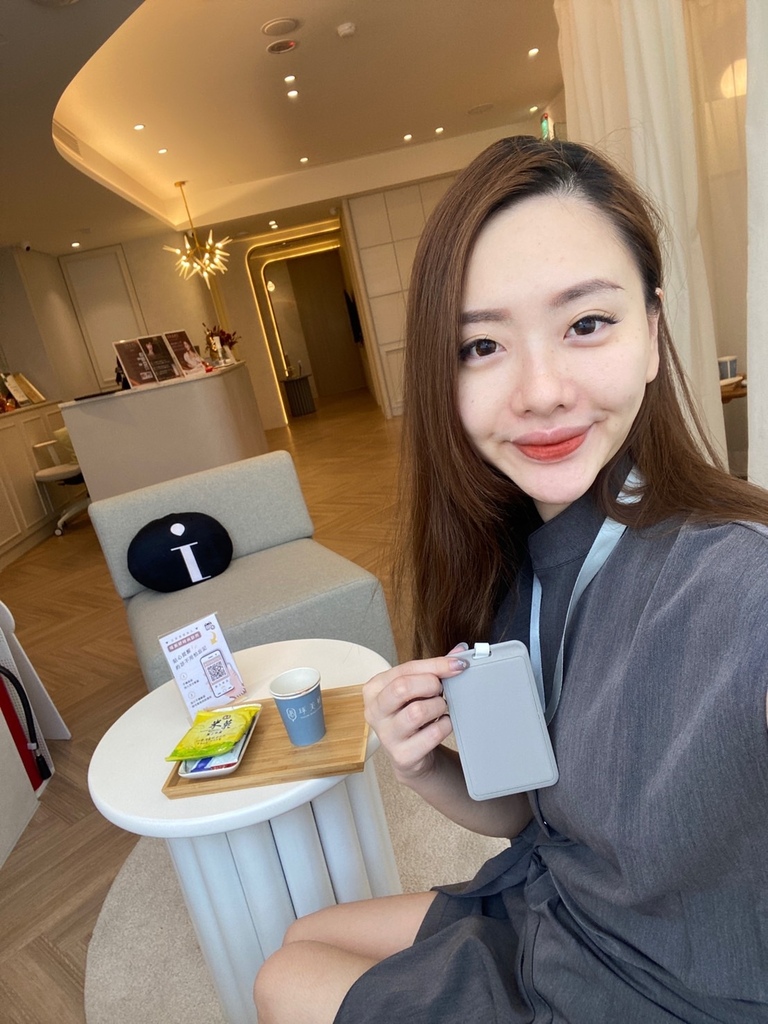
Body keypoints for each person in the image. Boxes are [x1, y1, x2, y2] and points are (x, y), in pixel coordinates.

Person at [253, 136, 768, 1023]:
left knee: (280, 983)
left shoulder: (736, 581)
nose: (539, 391)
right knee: (302, 936)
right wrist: (424, 768)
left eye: (586, 324)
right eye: (483, 344)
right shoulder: (513, 558)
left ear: (653, 332)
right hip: (558, 900)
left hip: (652, 991)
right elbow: (534, 814)